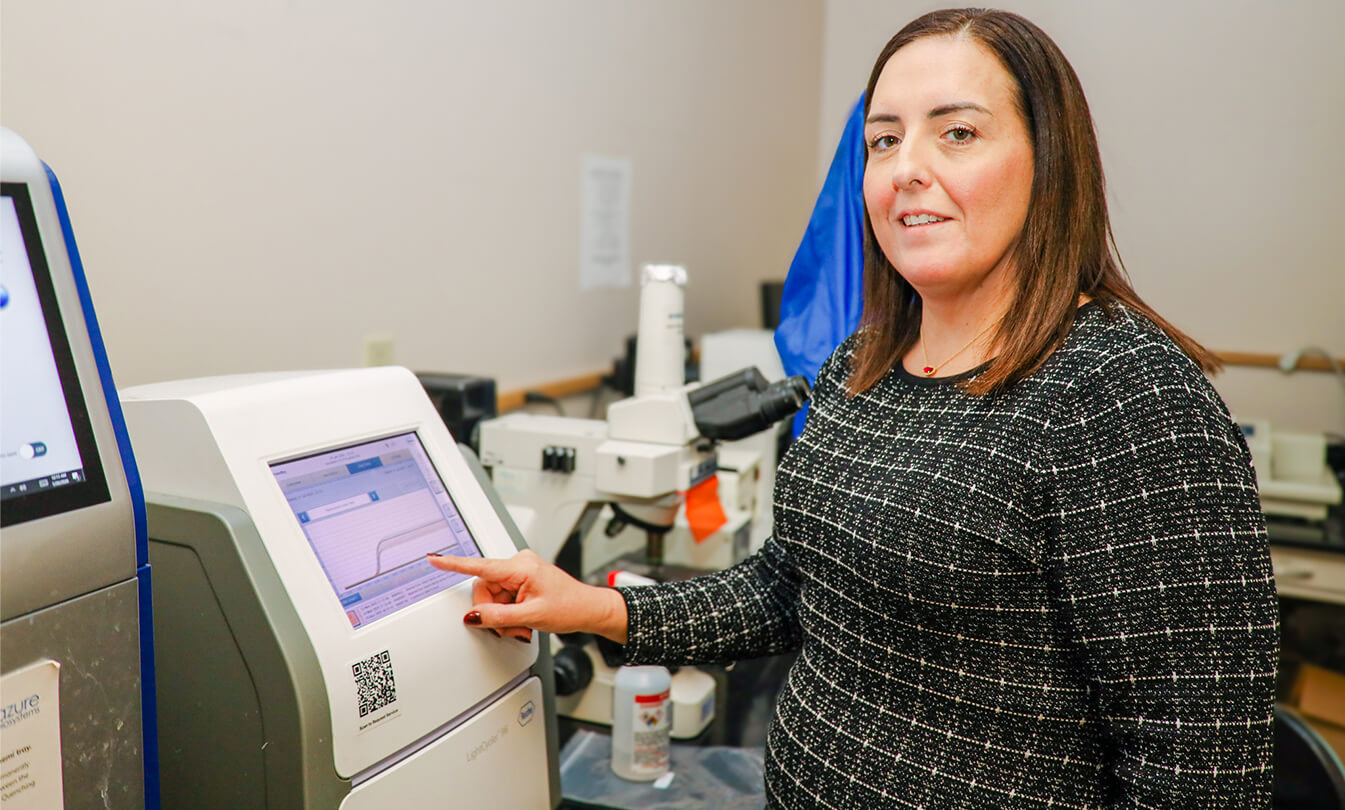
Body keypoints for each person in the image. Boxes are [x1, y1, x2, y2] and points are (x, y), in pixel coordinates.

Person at [431, 8, 1279, 807]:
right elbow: (787, 588)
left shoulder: (1126, 395)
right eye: (883, 140)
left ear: (1049, 159)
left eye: (957, 132)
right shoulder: (861, 364)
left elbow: (1198, 771)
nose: (906, 167)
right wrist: (590, 606)